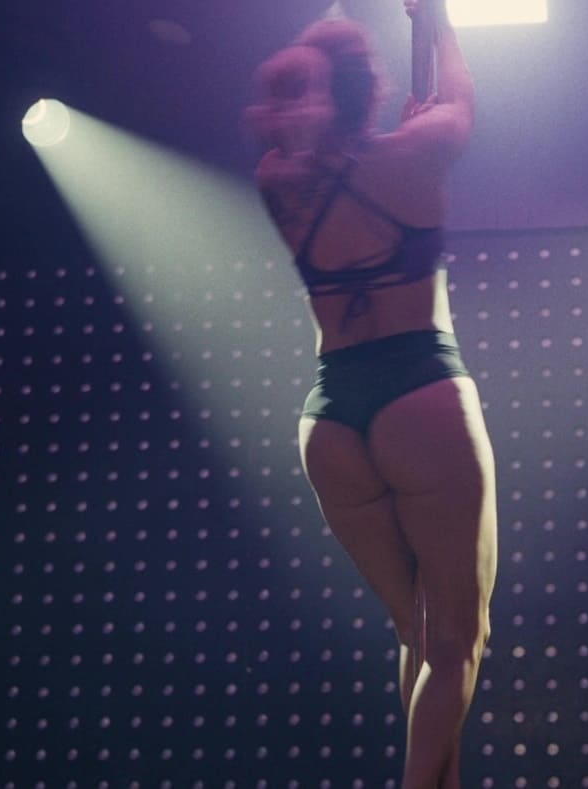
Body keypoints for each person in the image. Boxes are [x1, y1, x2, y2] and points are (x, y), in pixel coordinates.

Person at [247, 1, 495, 786]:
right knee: (458, 640)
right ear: (364, 92)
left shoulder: (275, 183)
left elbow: (324, 148)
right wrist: (436, 18)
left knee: (415, 633)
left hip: (331, 422)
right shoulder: (415, 154)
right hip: (418, 394)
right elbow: (459, 101)